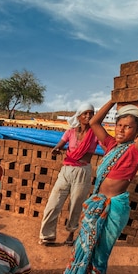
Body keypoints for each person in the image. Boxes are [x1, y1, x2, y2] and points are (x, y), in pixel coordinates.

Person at [62, 84, 138, 274]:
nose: (121, 130)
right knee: (85, 245)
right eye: (119, 125)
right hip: (97, 203)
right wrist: (112, 100)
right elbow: (94, 123)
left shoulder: (135, 150)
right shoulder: (109, 146)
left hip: (114, 206)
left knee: (100, 249)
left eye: (127, 127)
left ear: (135, 132)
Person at [39, 104, 98, 246]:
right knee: (54, 203)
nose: (88, 116)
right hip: (66, 170)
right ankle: (47, 236)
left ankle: (71, 234)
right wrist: (56, 149)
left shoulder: (95, 134)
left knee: (76, 204)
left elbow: (107, 145)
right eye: (85, 113)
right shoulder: (71, 132)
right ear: (79, 116)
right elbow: (61, 143)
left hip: (82, 172)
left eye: (91, 114)